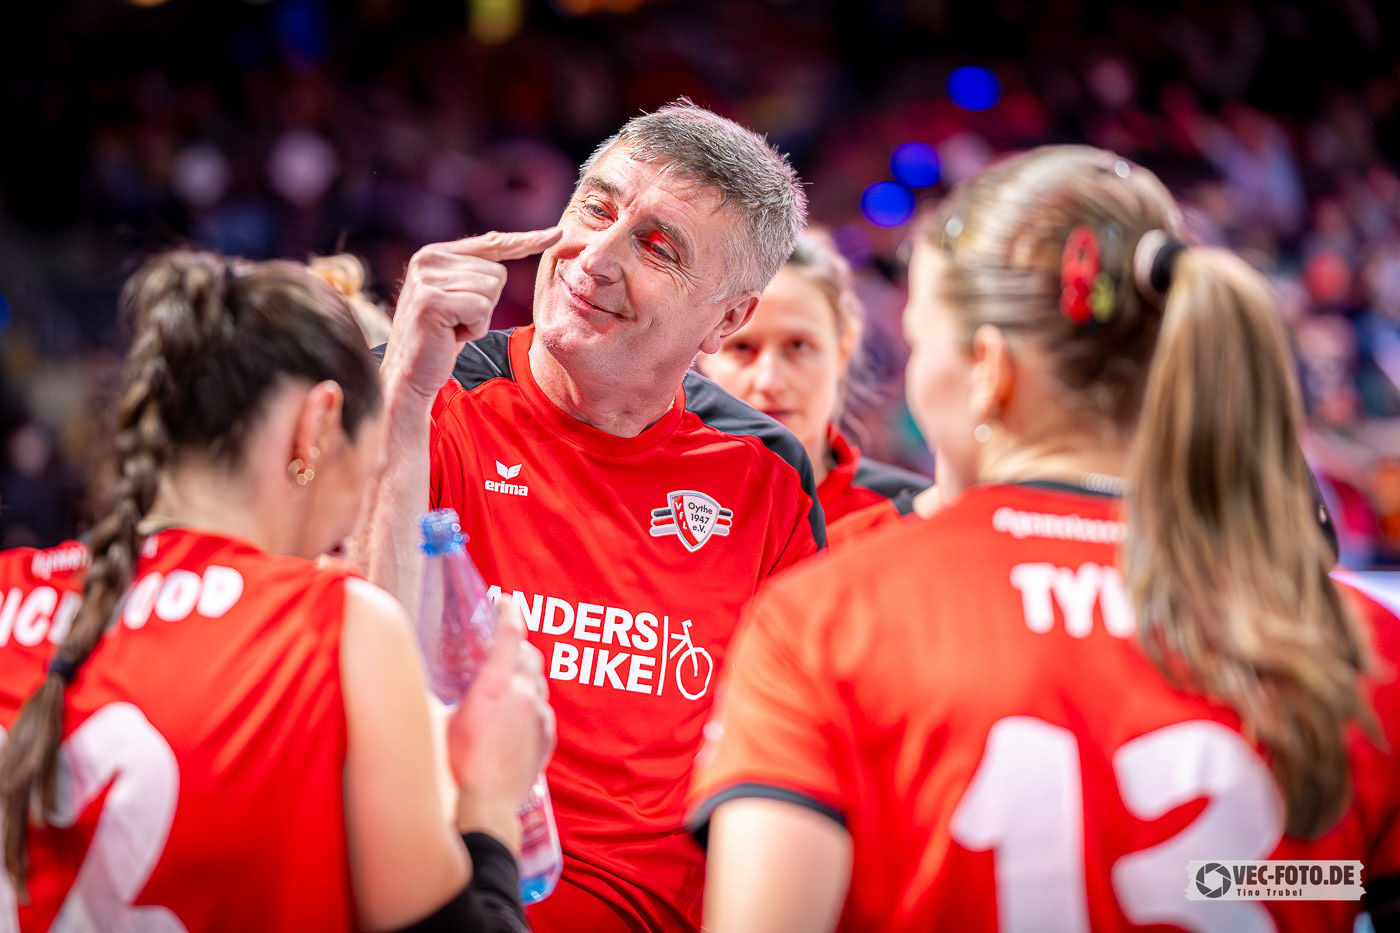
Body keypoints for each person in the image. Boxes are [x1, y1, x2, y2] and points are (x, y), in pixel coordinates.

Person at [688, 146, 1400, 931]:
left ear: (988, 369)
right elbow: (1315, 881)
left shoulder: (830, 618)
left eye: (922, 343)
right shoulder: (1359, 642)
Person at [360, 101, 823, 932]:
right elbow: (343, 675)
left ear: (726, 320)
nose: (595, 259)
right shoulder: (420, 391)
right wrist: (402, 402)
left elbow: (793, 764)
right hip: (435, 902)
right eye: (595, 209)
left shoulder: (767, 476)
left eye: (658, 247)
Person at [0, 252, 554, 932]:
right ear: (319, 423)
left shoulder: (9, 587)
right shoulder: (336, 625)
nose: (354, 522)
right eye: (371, 463)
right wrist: (490, 795)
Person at [696, 233, 931, 526]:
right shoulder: (654, 500)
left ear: (843, 348)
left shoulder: (911, 516)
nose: (770, 381)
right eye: (741, 347)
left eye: (799, 346)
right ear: (702, 352)